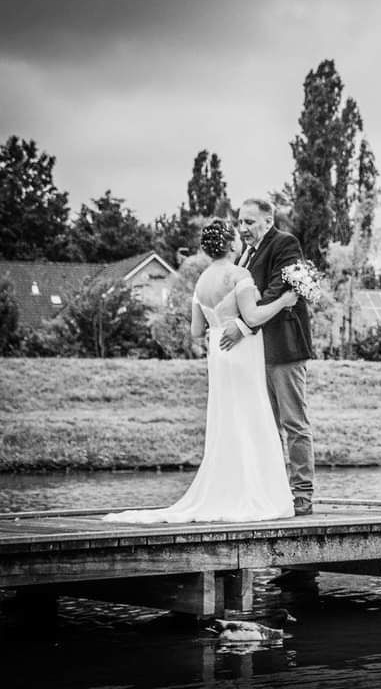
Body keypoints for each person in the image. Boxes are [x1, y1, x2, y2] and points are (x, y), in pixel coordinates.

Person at [103, 221, 298, 523]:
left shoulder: (202, 280)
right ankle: (255, 494)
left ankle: (228, 490)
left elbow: (196, 331)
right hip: (242, 353)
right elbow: (253, 316)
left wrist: (216, 323)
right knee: (251, 417)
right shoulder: (239, 275)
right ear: (231, 244)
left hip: (218, 356)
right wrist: (285, 300)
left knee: (228, 420)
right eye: (237, 237)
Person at [220, 198, 316, 516]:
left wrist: (242, 325)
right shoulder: (246, 254)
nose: (243, 227)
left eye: (249, 221)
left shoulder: (284, 244)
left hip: (285, 348)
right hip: (258, 353)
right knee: (266, 424)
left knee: (294, 423)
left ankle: (302, 496)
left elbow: (277, 289)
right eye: (240, 222)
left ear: (268, 220)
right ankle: (273, 493)